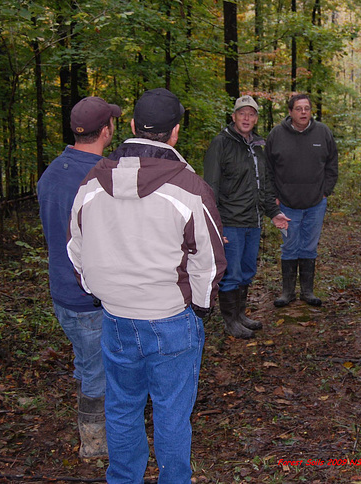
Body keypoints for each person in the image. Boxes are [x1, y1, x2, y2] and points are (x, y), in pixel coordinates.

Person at [67, 88, 226, 483]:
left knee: (121, 408)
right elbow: (210, 259)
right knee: (172, 413)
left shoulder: (90, 184)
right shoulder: (189, 189)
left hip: (116, 318)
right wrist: (200, 306)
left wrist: (100, 289)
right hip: (170, 319)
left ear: (134, 126)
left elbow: (76, 249)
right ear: (174, 133)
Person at [37, 96, 121, 459]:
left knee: (85, 360)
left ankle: (92, 426)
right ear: (106, 130)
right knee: (97, 370)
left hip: (61, 292)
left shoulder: (52, 171)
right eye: (112, 123)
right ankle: (95, 444)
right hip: (90, 295)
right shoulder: (104, 176)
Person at [203, 95, 289, 339]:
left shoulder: (257, 147)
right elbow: (211, 186)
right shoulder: (221, 143)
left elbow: (265, 184)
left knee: (248, 270)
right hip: (229, 221)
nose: (247, 118)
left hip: (253, 221)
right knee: (231, 273)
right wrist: (215, 224)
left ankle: (240, 315)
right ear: (234, 117)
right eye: (242, 113)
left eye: (251, 114)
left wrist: (274, 213)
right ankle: (230, 321)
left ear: (256, 118)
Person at [265, 94, 338, 307]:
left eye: (307, 108)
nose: (303, 112)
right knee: (290, 247)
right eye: (298, 109)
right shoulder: (277, 135)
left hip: (316, 203)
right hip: (286, 204)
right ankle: (287, 292)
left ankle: (308, 291)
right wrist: (273, 197)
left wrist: (326, 191)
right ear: (290, 112)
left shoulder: (323, 132)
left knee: (309, 247)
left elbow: (332, 164)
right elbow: (267, 169)